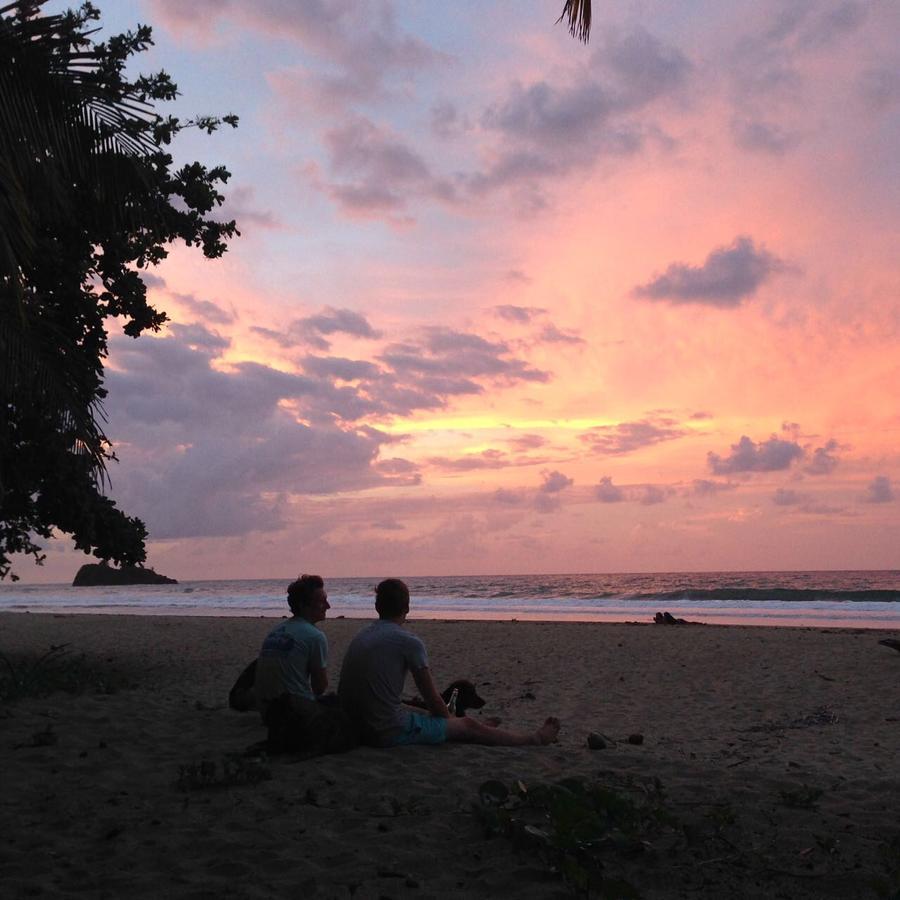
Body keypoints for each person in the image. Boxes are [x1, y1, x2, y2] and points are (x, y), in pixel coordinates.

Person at [338, 578, 560, 748]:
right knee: (467, 725)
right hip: (382, 732)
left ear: (377, 607)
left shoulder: (362, 635)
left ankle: (468, 728)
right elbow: (433, 700)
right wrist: (456, 724)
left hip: (354, 725)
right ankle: (534, 739)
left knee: (415, 710)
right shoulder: (408, 642)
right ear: (407, 607)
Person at [253, 574, 330, 717]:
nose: (328, 606)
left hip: (266, 710)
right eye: (322, 601)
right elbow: (319, 687)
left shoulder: (276, 631)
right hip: (293, 712)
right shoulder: (315, 636)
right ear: (303, 605)